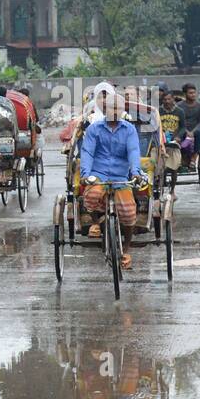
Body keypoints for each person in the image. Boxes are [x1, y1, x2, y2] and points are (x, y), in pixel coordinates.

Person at [80, 94, 145, 270]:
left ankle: (127, 249)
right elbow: (87, 153)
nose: (115, 112)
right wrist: (85, 174)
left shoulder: (129, 129)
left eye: (118, 108)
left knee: (129, 212)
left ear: (123, 110)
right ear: (104, 109)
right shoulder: (94, 129)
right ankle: (96, 222)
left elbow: (133, 151)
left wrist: (135, 172)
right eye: (111, 108)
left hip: (121, 176)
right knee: (92, 195)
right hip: (98, 173)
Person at [177, 83, 200, 170]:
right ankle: (181, 157)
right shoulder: (179, 106)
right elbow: (179, 121)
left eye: (194, 93)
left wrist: (192, 132)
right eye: (190, 93)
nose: (193, 95)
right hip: (183, 129)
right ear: (185, 94)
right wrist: (186, 131)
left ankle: (194, 157)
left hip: (196, 130)